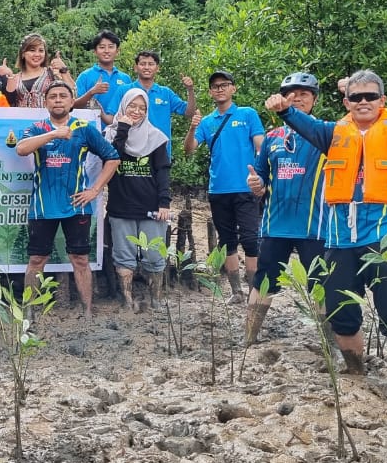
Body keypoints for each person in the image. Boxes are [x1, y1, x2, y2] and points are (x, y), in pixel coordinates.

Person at [264, 68, 387, 390]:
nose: (363, 102)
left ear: (382, 100)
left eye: (370, 96)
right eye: (356, 97)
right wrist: (283, 109)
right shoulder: (331, 133)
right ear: (346, 102)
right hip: (338, 239)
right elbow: (298, 120)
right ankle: (356, 373)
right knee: (342, 312)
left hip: (383, 236)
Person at [15, 81, 120, 319]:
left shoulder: (84, 129)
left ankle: (88, 312)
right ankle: (29, 313)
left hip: (77, 206)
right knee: (37, 259)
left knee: (80, 259)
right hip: (42, 207)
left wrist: (94, 190)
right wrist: (54, 133)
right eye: (53, 96)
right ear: (46, 102)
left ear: (72, 102)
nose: (58, 100)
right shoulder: (37, 127)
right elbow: (21, 149)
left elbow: (112, 158)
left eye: (63, 96)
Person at [243, 72, 327, 345]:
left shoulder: (326, 133)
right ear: (282, 97)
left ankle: (329, 343)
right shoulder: (272, 137)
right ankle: (249, 337)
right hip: (275, 224)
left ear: (314, 99)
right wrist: (255, 184)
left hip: (314, 226)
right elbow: (260, 178)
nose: (298, 97)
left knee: (320, 285)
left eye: (304, 93)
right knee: (263, 281)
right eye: (292, 93)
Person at [183, 70, 265, 303]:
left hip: (246, 188)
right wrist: (192, 127)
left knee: (251, 240)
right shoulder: (207, 122)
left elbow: (261, 146)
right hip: (218, 190)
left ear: (233, 88)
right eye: (215, 86)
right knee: (227, 241)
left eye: (224, 84)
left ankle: (254, 293)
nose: (219, 88)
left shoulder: (247, 114)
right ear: (210, 92)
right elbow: (189, 149)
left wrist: (261, 177)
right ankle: (236, 292)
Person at [104, 88, 171, 312]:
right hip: (121, 205)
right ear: (123, 106)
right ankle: (127, 300)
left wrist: (164, 203)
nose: (136, 111)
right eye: (132, 106)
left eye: (142, 108)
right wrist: (123, 128)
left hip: (151, 207)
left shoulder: (156, 137)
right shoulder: (110, 134)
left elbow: (162, 171)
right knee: (124, 257)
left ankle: (156, 299)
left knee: (155, 256)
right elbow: (112, 159)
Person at [106, 51, 195, 153]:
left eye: (151, 64)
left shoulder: (166, 93)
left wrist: (190, 90)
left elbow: (189, 113)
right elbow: (113, 119)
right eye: (143, 64)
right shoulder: (124, 91)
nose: (147, 67)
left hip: (159, 151)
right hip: (130, 151)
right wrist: (99, 111)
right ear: (135, 67)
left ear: (157, 68)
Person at [73, 30, 131, 123]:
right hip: (92, 128)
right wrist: (91, 92)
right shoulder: (85, 76)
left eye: (111, 47)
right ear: (95, 51)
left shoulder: (125, 78)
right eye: (102, 47)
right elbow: (73, 105)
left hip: (119, 131)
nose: (106, 51)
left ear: (117, 51)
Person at [7, 33, 72, 109]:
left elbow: (72, 93)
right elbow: (9, 103)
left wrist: (63, 70)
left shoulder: (52, 73)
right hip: (21, 120)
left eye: (41, 51)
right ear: (23, 54)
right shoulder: (15, 78)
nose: (37, 54)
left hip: (47, 119)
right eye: (32, 50)